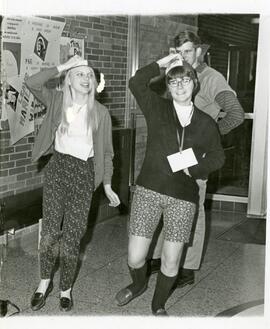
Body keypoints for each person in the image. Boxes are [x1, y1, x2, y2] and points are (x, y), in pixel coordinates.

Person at [115, 53, 225, 315]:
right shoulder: (157, 108)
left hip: (183, 197)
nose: (179, 86)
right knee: (135, 257)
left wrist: (196, 167)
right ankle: (139, 283)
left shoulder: (206, 122)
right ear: (167, 85)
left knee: (172, 260)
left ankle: (158, 303)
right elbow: (136, 82)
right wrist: (162, 64)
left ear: (194, 84)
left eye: (185, 80)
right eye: (173, 81)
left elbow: (219, 156)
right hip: (148, 190)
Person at [148, 30, 245, 288]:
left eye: (188, 51)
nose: (182, 57)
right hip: (171, 156)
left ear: (200, 51)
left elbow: (235, 114)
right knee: (166, 204)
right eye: (178, 52)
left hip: (193, 158)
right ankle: (159, 258)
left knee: (193, 210)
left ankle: (188, 267)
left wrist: (207, 141)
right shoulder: (176, 76)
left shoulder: (211, 78)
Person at [25, 55, 120, 312]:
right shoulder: (57, 101)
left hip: (84, 172)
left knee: (73, 238)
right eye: (80, 74)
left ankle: (65, 288)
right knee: (49, 235)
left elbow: (108, 153)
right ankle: (44, 282)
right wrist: (64, 65)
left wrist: (108, 185)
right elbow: (32, 82)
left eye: (89, 75)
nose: (86, 78)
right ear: (69, 79)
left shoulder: (100, 112)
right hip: (58, 168)